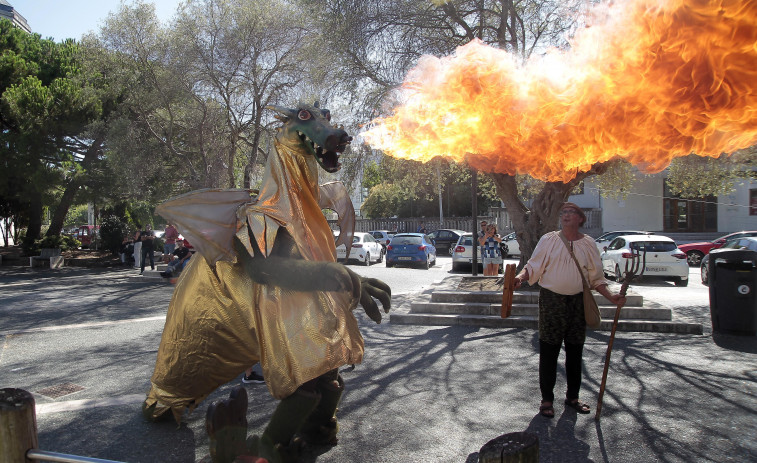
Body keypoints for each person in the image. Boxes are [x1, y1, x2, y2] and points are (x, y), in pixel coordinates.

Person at [513, 202, 626, 419]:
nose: (565, 215)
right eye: (563, 212)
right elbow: (533, 265)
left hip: (577, 302)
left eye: (571, 212)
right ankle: (547, 400)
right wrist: (520, 278)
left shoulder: (589, 244)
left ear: (580, 219)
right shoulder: (549, 240)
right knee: (548, 352)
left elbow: (596, 278)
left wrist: (611, 297)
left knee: (575, 352)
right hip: (551, 301)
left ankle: (572, 398)